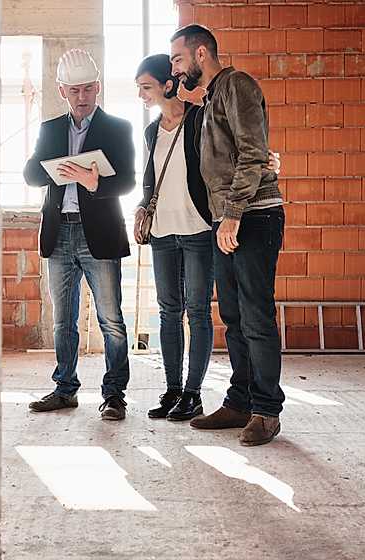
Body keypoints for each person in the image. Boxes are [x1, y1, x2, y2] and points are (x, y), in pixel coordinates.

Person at [134, 54, 280, 423]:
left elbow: (234, 151)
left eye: (146, 87)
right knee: (169, 313)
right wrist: (142, 207)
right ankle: (172, 390)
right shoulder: (151, 131)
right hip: (163, 231)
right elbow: (150, 176)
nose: (141, 95)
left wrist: (268, 162)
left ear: (169, 84)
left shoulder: (200, 119)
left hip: (200, 227)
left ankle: (192, 394)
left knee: (199, 312)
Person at [170, 25, 285, 445]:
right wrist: (222, 218)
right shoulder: (211, 98)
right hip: (228, 219)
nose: (175, 69)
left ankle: (267, 411)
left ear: (201, 54)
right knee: (234, 316)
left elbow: (255, 152)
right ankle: (240, 402)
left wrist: (233, 215)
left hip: (253, 217)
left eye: (178, 59)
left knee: (256, 315)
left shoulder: (237, 85)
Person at [23, 49, 135, 421]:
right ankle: (65, 389)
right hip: (59, 233)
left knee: (111, 321)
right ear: (62, 91)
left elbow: (129, 181)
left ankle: (114, 394)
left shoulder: (118, 128)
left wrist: (93, 181)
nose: (82, 96)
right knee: (62, 320)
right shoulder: (50, 130)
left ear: (98, 88)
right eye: (74, 90)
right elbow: (31, 175)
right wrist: (57, 170)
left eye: (88, 89)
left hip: (98, 234)